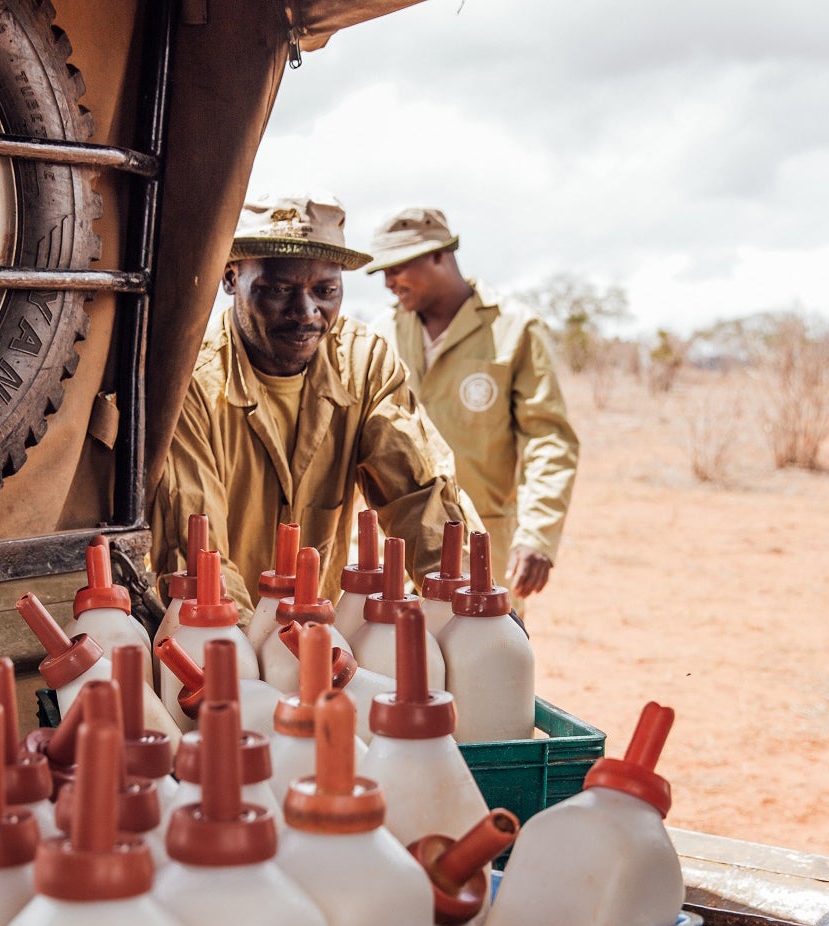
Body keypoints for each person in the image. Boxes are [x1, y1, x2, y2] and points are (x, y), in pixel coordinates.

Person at [150, 193, 472, 614]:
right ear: (231, 278)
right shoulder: (188, 383)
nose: (306, 312)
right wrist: (256, 656)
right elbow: (196, 557)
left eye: (325, 290)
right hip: (215, 641)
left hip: (318, 634)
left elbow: (422, 498)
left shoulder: (363, 364)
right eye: (280, 289)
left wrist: (464, 602)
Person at [367, 208, 579, 604]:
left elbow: (547, 439)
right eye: (382, 271)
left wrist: (537, 534)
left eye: (397, 267)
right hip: (394, 550)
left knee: (485, 658)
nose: (388, 282)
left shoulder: (514, 329)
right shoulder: (381, 334)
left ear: (439, 254)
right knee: (391, 659)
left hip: (483, 546)